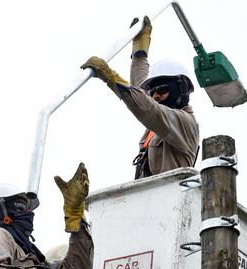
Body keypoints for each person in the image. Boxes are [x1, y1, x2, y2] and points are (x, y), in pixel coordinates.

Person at [80, 16, 200, 179]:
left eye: (161, 90)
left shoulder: (185, 123)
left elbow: (146, 106)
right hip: (149, 193)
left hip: (170, 194)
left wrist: (111, 78)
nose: (155, 95)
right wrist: (139, 52)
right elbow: (141, 91)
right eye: (153, 92)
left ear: (181, 90)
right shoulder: (159, 123)